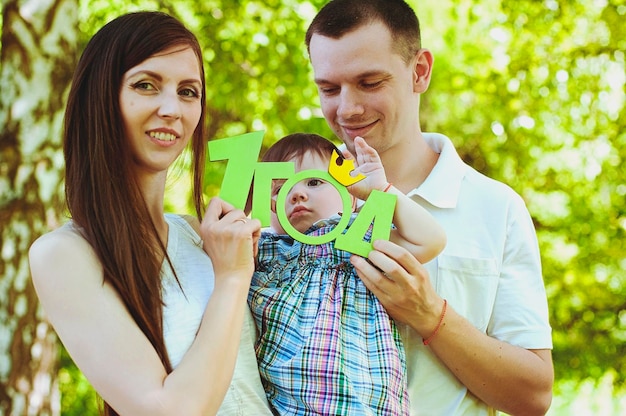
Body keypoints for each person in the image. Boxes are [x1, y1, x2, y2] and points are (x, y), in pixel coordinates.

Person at [304, 1, 554, 415]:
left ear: (419, 72)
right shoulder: (292, 198)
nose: (346, 109)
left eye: (369, 82)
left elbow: (533, 397)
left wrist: (428, 314)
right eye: (329, 88)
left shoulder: (497, 207)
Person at [28, 11, 273, 416]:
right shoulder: (65, 254)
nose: (172, 109)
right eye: (146, 85)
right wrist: (231, 278)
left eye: (188, 91)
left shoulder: (204, 237)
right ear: (101, 97)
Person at [248, 133, 446, 414]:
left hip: (367, 404)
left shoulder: (356, 237)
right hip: (287, 406)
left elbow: (429, 240)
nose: (296, 193)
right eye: (279, 190)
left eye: (314, 182)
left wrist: (378, 189)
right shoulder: (267, 251)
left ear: (351, 199)